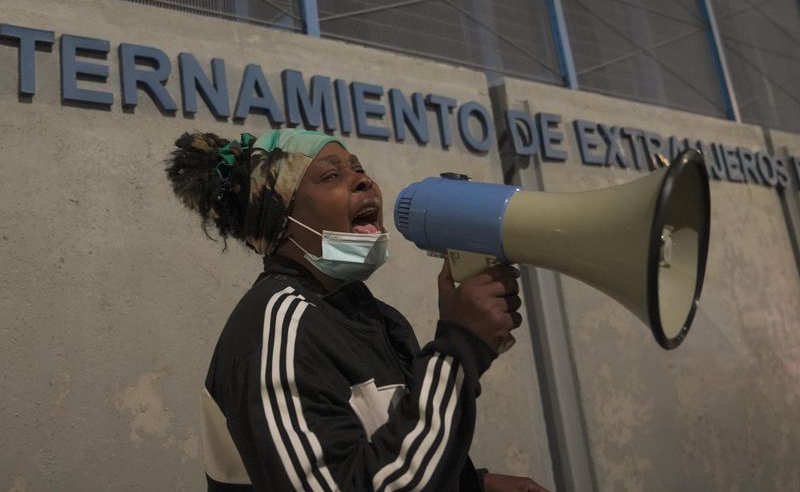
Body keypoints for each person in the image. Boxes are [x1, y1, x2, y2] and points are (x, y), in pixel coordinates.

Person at [167, 129, 549, 492]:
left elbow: (385, 446)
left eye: (360, 168)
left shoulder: (378, 319)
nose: (363, 181)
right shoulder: (275, 332)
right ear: (281, 220)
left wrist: (468, 484)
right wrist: (460, 349)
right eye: (331, 175)